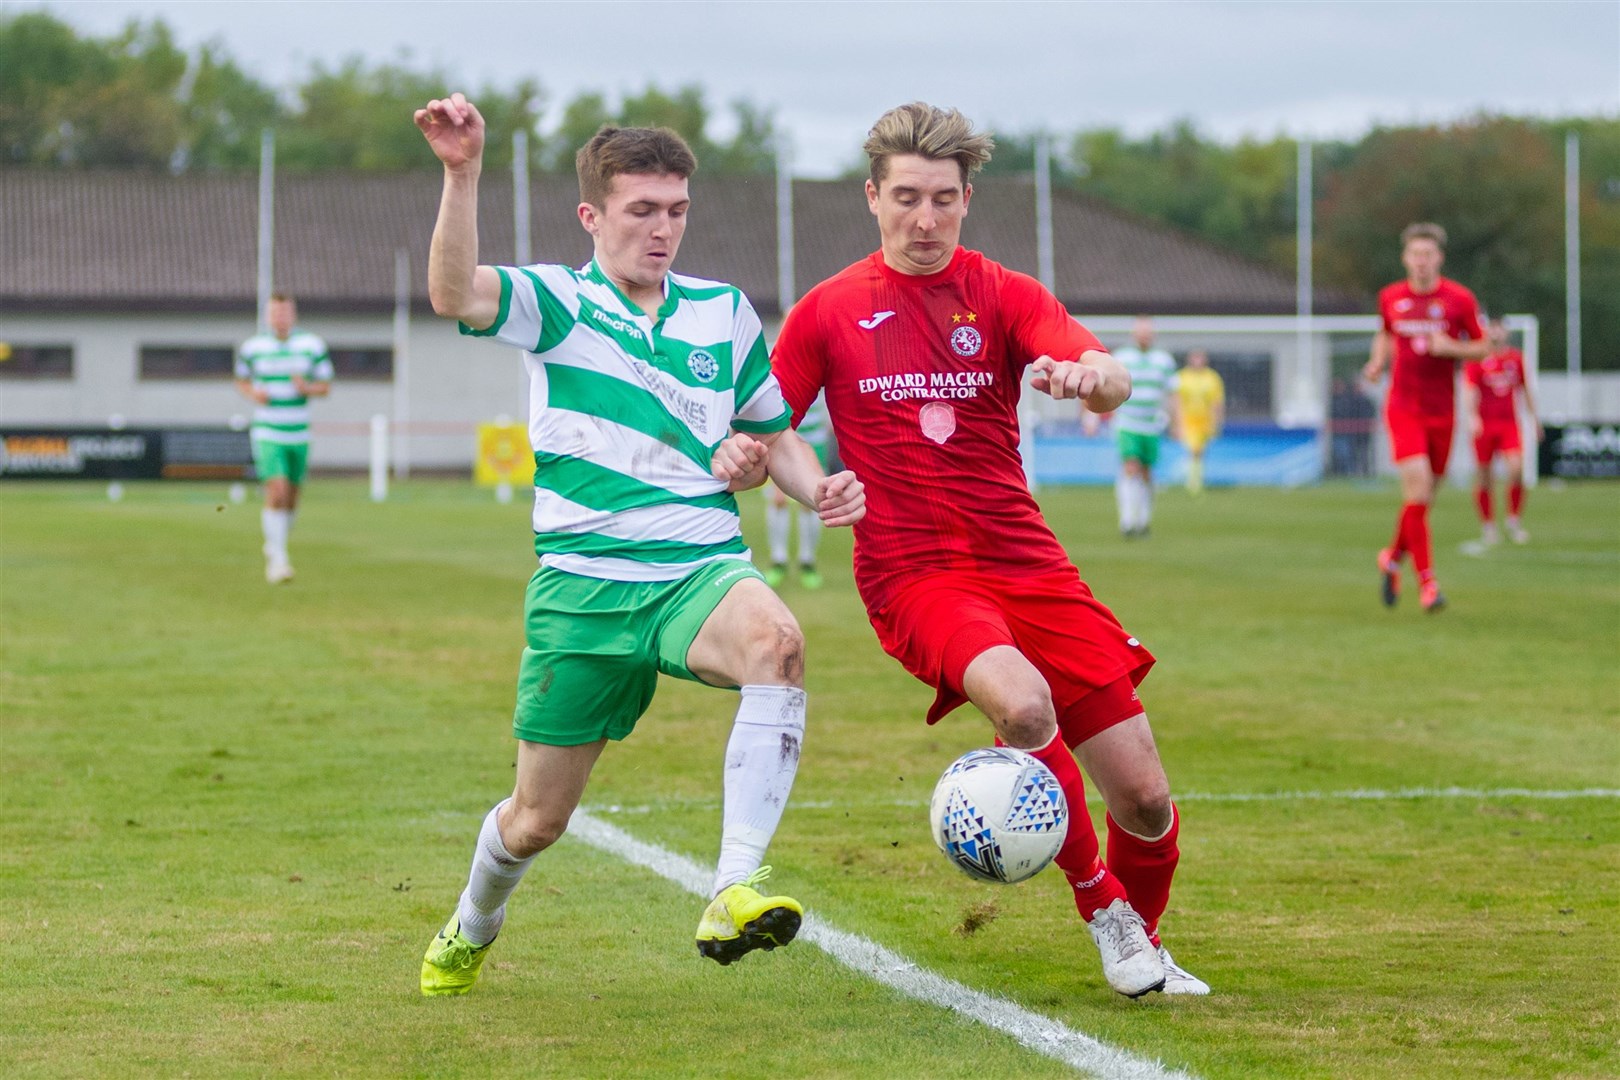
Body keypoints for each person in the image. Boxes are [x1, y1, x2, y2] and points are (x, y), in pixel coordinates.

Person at [729, 101, 1206, 999]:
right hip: (914, 574)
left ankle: (1141, 945)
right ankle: (1103, 912)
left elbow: (1104, 372)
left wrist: (1089, 376)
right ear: (873, 197)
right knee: (1023, 711)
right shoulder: (828, 310)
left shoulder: (1003, 292)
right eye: (905, 197)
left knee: (1143, 799)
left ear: (966, 198)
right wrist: (766, 465)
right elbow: (766, 434)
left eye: (942, 199)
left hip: (1027, 561)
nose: (924, 219)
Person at [411, 93, 865, 997]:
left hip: (696, 568)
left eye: (677, 211)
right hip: (582, 588)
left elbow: (769, 435)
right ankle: (474, 919)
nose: (663, 230)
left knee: (779, 644)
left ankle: (734, 886)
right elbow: (454, 293)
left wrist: (817, 488)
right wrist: (463, 174)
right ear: (593, 216)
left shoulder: (722, 311)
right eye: (642, 211)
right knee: (535, 820)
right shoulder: (556, 302)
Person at [1362, 223, 1491, 612]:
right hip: (1403, 407)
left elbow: (1483, 347)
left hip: (1442, 410)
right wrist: (1376, 361)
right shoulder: (1390, 297)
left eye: (1428, 254)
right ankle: (1428, 585)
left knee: (1424, 500)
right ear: (1405, 258)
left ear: (1439, 259)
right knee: (1416, 491)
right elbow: (1385, 332)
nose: (1421, 261)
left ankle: (1391, 557)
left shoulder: (1459, 299)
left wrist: (1451, 346)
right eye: (1415, 254)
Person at [234, 293, 331, 584]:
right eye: (275, 312)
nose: (280, 317)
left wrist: (307, 388)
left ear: (293, 315)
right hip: (268, 429)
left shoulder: (312, 346)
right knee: (275, 491)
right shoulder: (253, 348)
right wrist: (254, 394)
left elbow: (325, 386)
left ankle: (275, 543)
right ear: (268, 315)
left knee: (291, 497)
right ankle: (278, 559)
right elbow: (241, 380)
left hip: (298, 431)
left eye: (285, 312)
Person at [1463, 318, 1542, 545]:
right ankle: (1488, 526)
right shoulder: (1477, 358)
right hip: (1485, 425)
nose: (1496, 332)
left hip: (1509, 424)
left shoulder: (1515, 358)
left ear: (1506, 332)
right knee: (1485, 476)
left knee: (1516, 469)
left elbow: (1526, 389)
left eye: (1500, 328)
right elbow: (1470, 390)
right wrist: (1472, 416)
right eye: (1492, 328)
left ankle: (1513, 521)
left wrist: (1534, 420)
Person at [1110, 317, 1177, 537]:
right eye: (1141, 332)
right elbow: (1108, 386)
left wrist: (1175, 421)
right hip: (1128, 422)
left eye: (1148, 332)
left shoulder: (1164, 360)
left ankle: (1144, 520)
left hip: (1151, 425)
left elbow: (1172, 393)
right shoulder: (1122, 357)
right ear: (1134, 334)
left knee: (1147, 472)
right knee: (1130, 467)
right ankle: (1127, 521)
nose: (1145, 336)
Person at [763, 391, 834, 589]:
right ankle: (778, 560)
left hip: (814, 436)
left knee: (813, 499)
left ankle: (807, 561)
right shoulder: (770, 359)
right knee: (778, 499)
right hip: (783, 431)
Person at [1174, 348, 1225, 494]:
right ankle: (1193, 482)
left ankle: (1195, 478)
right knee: (1193, 450)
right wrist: (1176, 423)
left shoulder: (1212, 378)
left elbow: (1217, 402)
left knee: (1200, 451)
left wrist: (1218, 422)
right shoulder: (1182, 377)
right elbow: (1176, 400)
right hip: (1188, 420)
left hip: (1205, 421)